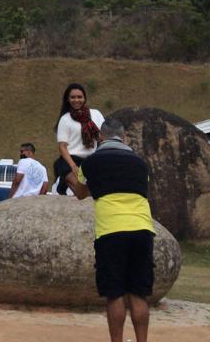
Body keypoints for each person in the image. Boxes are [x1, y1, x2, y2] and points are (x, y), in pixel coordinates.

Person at [65, 118, 156, 342]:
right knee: (138, 293)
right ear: (124, 137)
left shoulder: (92, 162)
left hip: (111, 231)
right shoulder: (140, 163)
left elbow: (81, 192)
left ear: (101, 137)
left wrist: (70, 177)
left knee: (114, 293)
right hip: (142, 229)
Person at [54, 83, 104, 196]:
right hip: (70, 161)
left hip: (91, 160)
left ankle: (63, 183)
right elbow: (62, 147)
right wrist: (73, 167)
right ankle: (63, 181)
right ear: (68, 99)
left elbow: (103, 136)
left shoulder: (95, 114)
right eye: (73, 97)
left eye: (79, 97)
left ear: (85, 98)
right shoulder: (65, 119)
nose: (76, 100)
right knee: (83, 193)